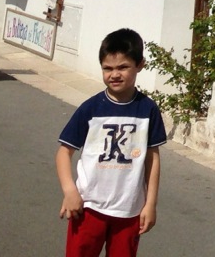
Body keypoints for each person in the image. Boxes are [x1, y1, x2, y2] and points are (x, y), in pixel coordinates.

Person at [56, 28, 167, 257]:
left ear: (140, 65)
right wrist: (70, 190)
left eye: (123, 67)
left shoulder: (148, 110)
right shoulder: (91, 108)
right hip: (88, 208)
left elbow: (152, 158)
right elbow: (64, 152)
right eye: (108, 68)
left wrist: (150, 203)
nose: (114, 74)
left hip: (129, 211)